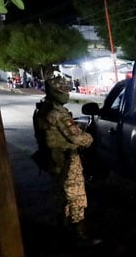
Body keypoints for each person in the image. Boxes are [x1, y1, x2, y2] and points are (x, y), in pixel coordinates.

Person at [33, 75, 97, 245]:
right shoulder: (58, 113)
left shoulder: (42, 109)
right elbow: (76, 139)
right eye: (64, 91)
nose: (67, 94)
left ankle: (65, 231)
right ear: (56, 92)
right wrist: (89, 138)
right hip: (67, 159)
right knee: (76, 197)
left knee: (62, 196)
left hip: (53, 159)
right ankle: (80, 236)